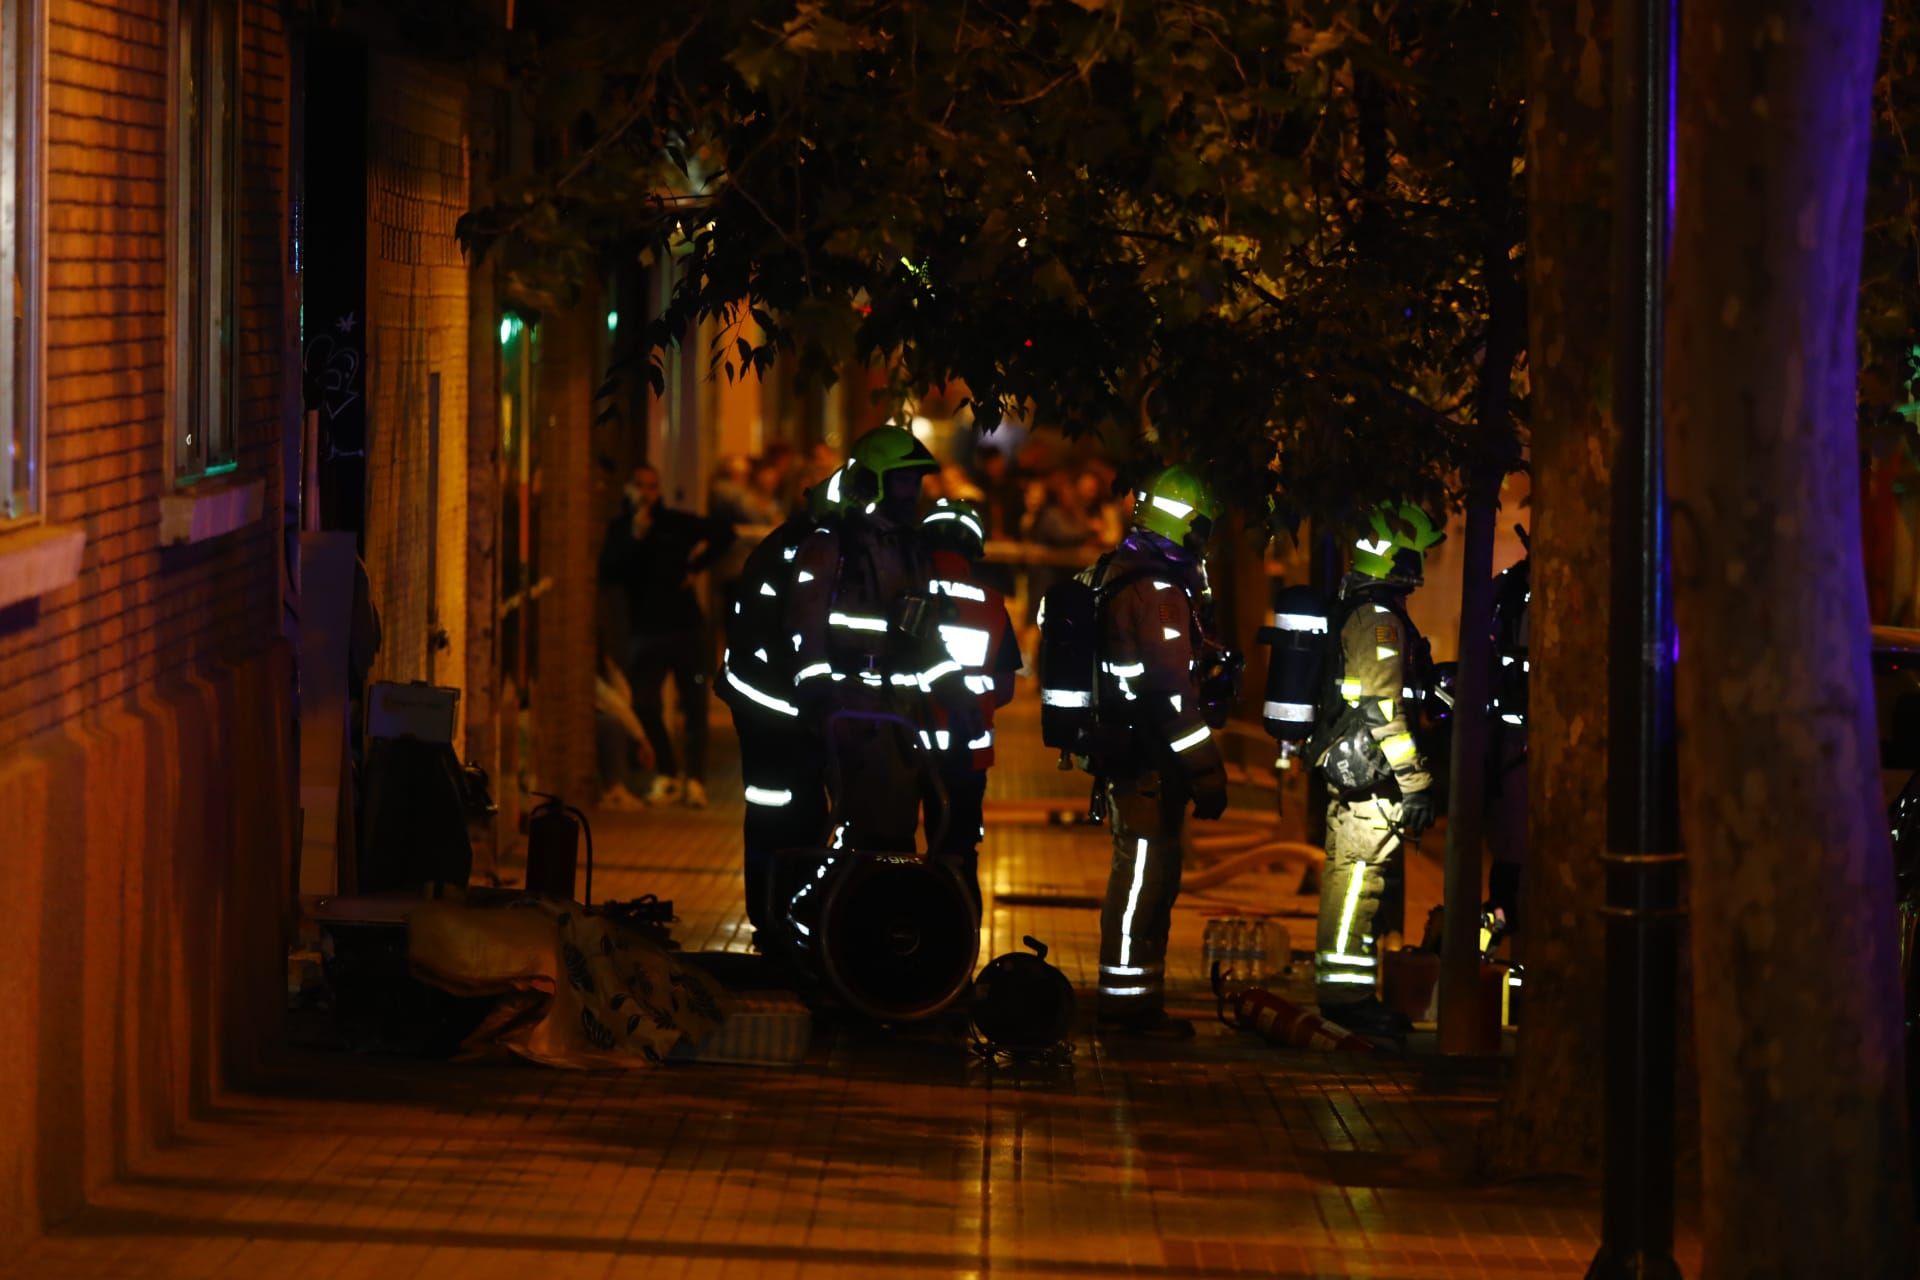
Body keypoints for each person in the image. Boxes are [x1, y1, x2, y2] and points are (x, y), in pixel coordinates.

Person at [1083, 464, 1232, 1036]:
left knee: (1150, 876)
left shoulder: (1116, 573)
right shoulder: (1158, 591)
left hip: (1132, 754)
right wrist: (1207, 770)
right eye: (1203, 526)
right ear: (1187, 523)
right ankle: (1125, 1004)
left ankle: (1139, 1001)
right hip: (1147, 759)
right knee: (1144, 878)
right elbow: (1171, 696)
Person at [1308, 502, 1445, 1040]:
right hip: (1371, 777)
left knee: (1362, 884)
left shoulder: (1370, 613)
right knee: (1357, 885)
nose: (1420, 564)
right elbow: (1383, 709)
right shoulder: (1380, 621)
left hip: (1365, 772)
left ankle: (1353, 995)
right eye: (1414, 552)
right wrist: (1415, 782)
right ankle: (1343, 999)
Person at [787, 425, 941, 846]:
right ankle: (845, 905)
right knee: (862, 826)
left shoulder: (909, 545)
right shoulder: (832, 546)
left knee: (898, 829)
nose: (911, 492)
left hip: (899, 709)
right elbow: (805, 624)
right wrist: (821, 699)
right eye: (902, 480)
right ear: (872, 480)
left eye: (916, 481)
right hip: (851, 706)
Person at [718, 472, 849, 934]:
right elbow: (798, 634)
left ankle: (779, 914)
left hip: (766, 700)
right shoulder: (806, 550)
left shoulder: (794, 541)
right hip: (769, 706)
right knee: (784, 813)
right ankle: (775, 918)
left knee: (789, 812)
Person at [598, 463, 737, 808]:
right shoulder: (622, 529)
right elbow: (610, 571)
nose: (646, 494)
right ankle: (669, 772)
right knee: (644, 704)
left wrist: (695, 567)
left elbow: (724, 533)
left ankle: (695, 781)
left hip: (686, 627)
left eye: (651, 487)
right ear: (629, 491)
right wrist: (635, 536)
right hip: (645, 631)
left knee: (694, 706)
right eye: (639, 487)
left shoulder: (674, 523)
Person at [917, 498, 1021, 910]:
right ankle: (957, 954)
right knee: (957, 856)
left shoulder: (903, 591)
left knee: (893, 850)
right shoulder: (992, 603)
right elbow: (1006, 688)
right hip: (966, 753)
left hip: (905, 745)